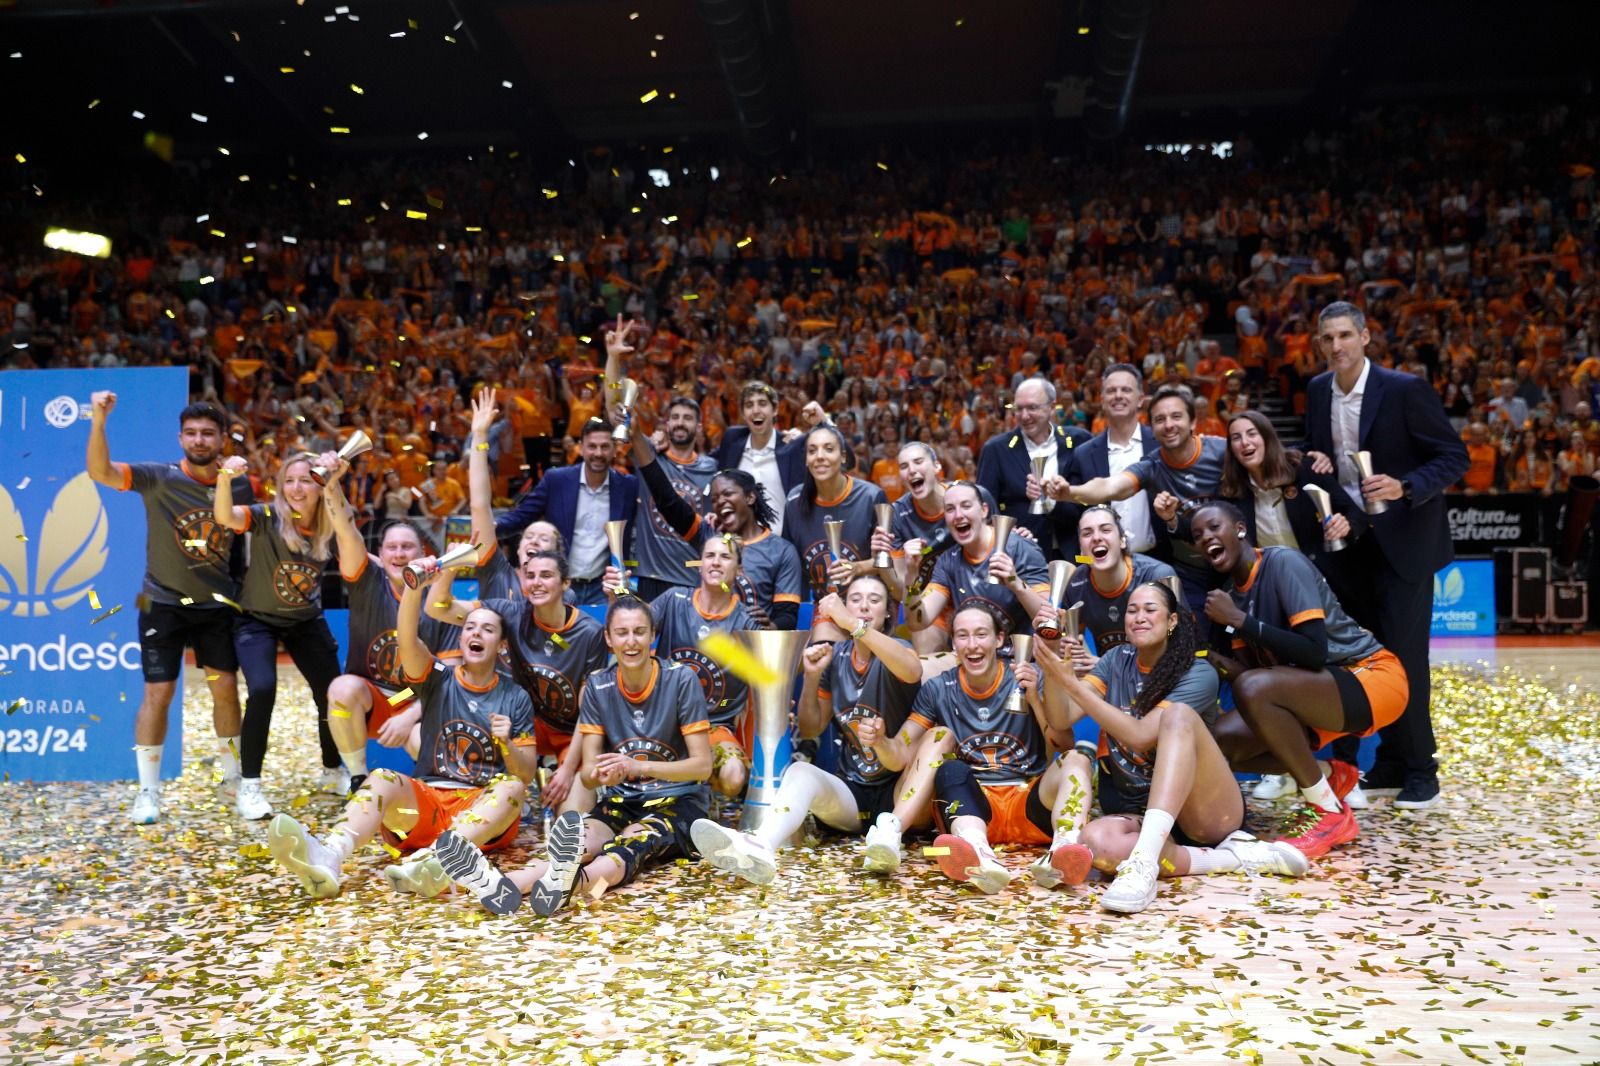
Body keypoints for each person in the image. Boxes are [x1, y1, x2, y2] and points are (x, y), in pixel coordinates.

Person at [1031, 582, 1307, 914]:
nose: (1138, 617)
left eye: (1150, 610)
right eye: (1132, 610)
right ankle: (1235, 858)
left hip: (1204, 814)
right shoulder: (1114, 660)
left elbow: (1139, 736)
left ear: (1172, 620)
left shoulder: (1198, 671)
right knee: (1097, 843)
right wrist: (1053, 665)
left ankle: (1144, 864)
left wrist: (1072, 684)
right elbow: (1061, 719)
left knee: (1176, 716)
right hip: (1139, 808)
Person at [434, 596, 713, 917]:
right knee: (578, 843)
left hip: (678, 802)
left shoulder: (680, 679)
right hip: (622, 800)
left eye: (640, 632)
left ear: (653, 637)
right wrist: (603, 775)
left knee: (632, 844)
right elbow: (590, 774)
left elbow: (703, 767)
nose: (631, 641)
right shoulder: (599, 684)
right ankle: (504, 884)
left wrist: (637, 766)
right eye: (622, 633)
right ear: (609, 639)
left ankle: (574, 883)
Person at [265, 578, 535, 907]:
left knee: (511, 788)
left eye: (488, 629)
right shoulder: (440, 676)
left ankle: (440, 859)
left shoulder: (515, 696)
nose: (475, 633)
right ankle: (329, 855)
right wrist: (413, 587)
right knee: (381, 777)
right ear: (462, 637)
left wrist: (507, 744)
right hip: (426, 805)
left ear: (501, 646)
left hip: (480, 814)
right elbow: (406, 640)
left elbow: (526, 774)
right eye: (469, 627)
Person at [1304, 300, 1470, 809]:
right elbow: (1324, 464)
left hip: (1404, 543)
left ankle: (1423, 771)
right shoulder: (1316, 391)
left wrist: (1405, 486)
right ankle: (1391, 763)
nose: (1337, 347)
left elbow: (1453, 456)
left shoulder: (1405, 389)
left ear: (1365, 337)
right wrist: (1318, 467)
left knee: (1406, 659)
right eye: (1328, 339)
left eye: (1345, 336)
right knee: (1364, 660)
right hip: (1350, 544)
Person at [1193, 502, 1409, 859]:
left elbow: (1312, 651)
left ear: (1241, 529)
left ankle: (1328, 811)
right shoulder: (1232, 598)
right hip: (1319, 692)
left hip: (1371, 675)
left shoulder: (1282, 562)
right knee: (1218, 744)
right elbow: (1257, 689)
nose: (1206, 538)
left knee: (1253, 688)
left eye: (1214, 527)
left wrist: (1240, 620)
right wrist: (1212, 659)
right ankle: (1329, 775)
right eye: (1198, 536)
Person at [689, 575, 937, 882]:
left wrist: (853, 624)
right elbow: (810, 727)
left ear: (888, 612)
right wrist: (810, 676)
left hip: (900, 794)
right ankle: (761, 844)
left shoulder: (898, 647)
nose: (864, 606)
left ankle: (890, 832)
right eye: (856, 599)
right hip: (854, 797)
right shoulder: (838, 657)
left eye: (875, 600)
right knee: (801, 771)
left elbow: (913, 670)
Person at [85, 393, 252, 825]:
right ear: (180, 437)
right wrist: (99, 421)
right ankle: (148, 792)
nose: (199, 440)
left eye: (208, 433)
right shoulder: (157, 476)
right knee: (157, 694)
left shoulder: (239, 483)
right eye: (192, 433)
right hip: (162, 603)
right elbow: (100, 472)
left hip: (216, 606)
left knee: (225, 691)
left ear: (221, 440)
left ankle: (236, 782)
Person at [860, 602, 1076, 893]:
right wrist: (880, 741)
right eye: (962, 635)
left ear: (1000, 639)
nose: (972, 645)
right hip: (970, 804)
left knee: (1078, 759)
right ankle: (897, 832)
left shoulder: (1027, 676)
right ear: (953, 644)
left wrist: (1034, 698)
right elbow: (900, 754)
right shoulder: (938, 689)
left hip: (1028, 804)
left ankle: (1064, 851)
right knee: (940, 736)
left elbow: (1064, 744)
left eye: (981, 634)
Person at [213, 450, 345, 818]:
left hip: (305, 619)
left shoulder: (330, 520)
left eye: (305, 479)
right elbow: (225, 516)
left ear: (318, 485)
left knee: (332, 693)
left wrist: (335, 477)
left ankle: (334, 770)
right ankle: (249, 785)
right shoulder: (268, 516)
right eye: (289, 480)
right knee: (262, 688)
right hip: (257, 619)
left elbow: (347, 522)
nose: (296, 488)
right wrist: (225, 477)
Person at [320, 465, 459, 793]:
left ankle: (440, 794)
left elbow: (451, 678)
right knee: (341, 689)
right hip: (371, 695)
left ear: (424, 553)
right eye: (392, 548)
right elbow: (345, 527)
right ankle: (357, 779)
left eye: (407, 547)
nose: (399, 553)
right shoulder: (368, 579)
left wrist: (410, 714)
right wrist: (331, 484)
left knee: (417, 737)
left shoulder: (440, 599)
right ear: (379, 555)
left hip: (420, 699)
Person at [1045, 384, 1229, 615]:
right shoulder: (1153, 465)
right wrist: (1070, 492)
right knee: (1196, 641)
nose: (1169, 424)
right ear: (1152, 428)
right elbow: (1110, 486)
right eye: (1160, 419)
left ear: (1192, 422)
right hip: (1190, 571)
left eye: (1176, 416)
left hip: (1234, 564)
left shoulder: (1222, 451)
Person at [620, 534, 766, 798]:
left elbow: (771, 672)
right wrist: (619, 592)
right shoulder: (674, 599)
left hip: (713, 723)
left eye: (725, 556)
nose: (716, 562)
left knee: (734, 776)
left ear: (739, 569)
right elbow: (632, 629)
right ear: (700, 564)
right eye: (710, 556)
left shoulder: (746, 622)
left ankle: (705, 796)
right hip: (661, 720)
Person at [627, 427, 802, 629]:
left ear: (750, 497)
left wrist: (769, 628)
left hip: (750, 653)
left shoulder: (782, 551)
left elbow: (787, 617)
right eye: (715, 499)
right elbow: (667, 500)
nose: (720, 503)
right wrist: (636, 436)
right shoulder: (710, 535)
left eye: (728, 494)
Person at [493, 417, 638, 606]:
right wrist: (490, 528)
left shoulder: (628, 486)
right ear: (581, 447)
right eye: (592, 446)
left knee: (605, 634)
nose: (598, 453)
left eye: (605, 446)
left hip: (605, 587)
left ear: (615, 449)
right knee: (556, 637)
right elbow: (521, 516)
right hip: (561, 584)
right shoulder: (556, 480)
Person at [901, 481, 1049, 643]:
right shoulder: (948, 560)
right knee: (922, 666)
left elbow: (1049, 619)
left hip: (1021, 660)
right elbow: (918, 622)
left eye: (966, 506)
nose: (958, 515)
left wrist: (1016, 584)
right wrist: (911, 576)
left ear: (984, 510)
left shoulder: (1020, 547)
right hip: (970, 657)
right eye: (950, 509)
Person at [976, 375, 1091, 560]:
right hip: (1020, 556)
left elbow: (1090, 501)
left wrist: (1051, 499)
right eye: (1019, 409)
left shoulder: (1079, 441)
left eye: (1032, 408)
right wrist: (1007, 533)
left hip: (1076, 554)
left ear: (1052, 407)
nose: (1024, 416)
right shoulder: (996, 449)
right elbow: (985, 508)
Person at [1058, 505, 1176, 669]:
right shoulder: (1075, 583)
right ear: (1081, 550)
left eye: (1105, 530)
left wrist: (1108, 668)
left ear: (1122, 540)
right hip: (1108, 682)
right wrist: (1065, 644)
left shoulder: (1158, 575)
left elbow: (1180, 641)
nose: (1096, 537)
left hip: (1160, 673)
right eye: (1087, 533)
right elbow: (1073, 641)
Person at [783, 423, 888, 604]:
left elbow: (889, 562)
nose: (820, 457)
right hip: (815, 607)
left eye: (829, 449)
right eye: (812, 451)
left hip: (864, 605)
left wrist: (858, 568)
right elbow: (789, 564)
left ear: (843, 457)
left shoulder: (871, 497)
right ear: (806, 460)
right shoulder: (794, 501)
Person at [1067, 364, 1160, 557]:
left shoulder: (1160, 445)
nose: (1118, 395)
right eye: (1111, 391)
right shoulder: (1083, 455)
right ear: (1102, 401)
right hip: (1104, 564)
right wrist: (1046, 496)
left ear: (1140, 399)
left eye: (1126, 390)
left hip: (1159, 557)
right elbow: (1073, 511)